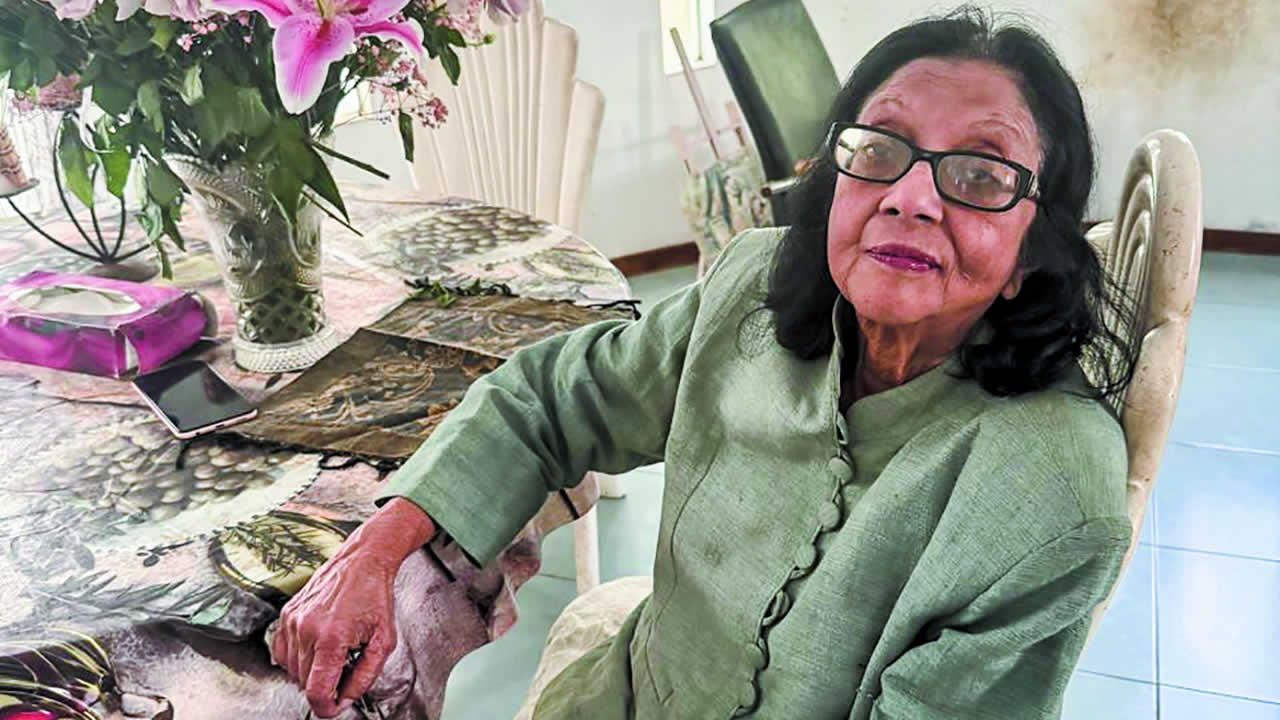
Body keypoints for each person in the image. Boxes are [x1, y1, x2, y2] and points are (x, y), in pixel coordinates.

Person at [271, 6, 1139, 719]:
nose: (910, 198)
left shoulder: (1053, 489)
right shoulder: (750, 289)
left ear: (1035, 250)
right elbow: (550, 400)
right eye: (879, 149)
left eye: (982, 175)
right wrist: (374, 551)